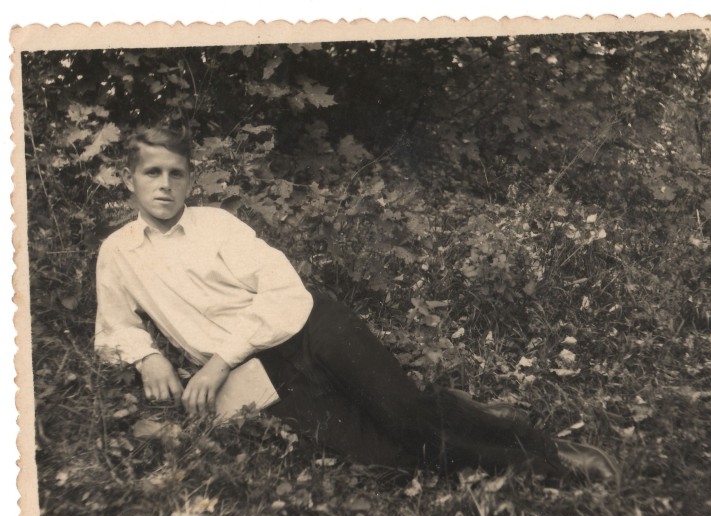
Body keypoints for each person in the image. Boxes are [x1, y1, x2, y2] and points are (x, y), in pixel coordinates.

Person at [95, 126, 618, 482]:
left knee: (406, 419)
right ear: (129, 179)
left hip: (309, 327)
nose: (164, 185)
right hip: (256, 374)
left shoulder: (217, 226)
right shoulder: (118, 252)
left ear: (190, 178)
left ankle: (549, 457)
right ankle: (455, 408)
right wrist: (147, 356)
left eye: (176, 173)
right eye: (152, 173)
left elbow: (284, 292)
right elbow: (113, 327)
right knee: (388, 460)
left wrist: (217, 362)